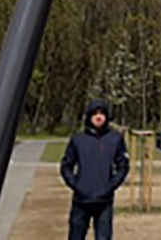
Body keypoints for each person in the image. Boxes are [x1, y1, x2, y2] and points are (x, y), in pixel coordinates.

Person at [60, 99, 129, 240]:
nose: (99, 117)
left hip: (104, 201)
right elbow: (66, 165)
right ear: (89, 116)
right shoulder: (78, 140)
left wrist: (111, 186)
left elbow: (123, 166)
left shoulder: (115, 139)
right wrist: (76, 185)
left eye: (102, 113)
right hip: (81, 200)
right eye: (95, 113)